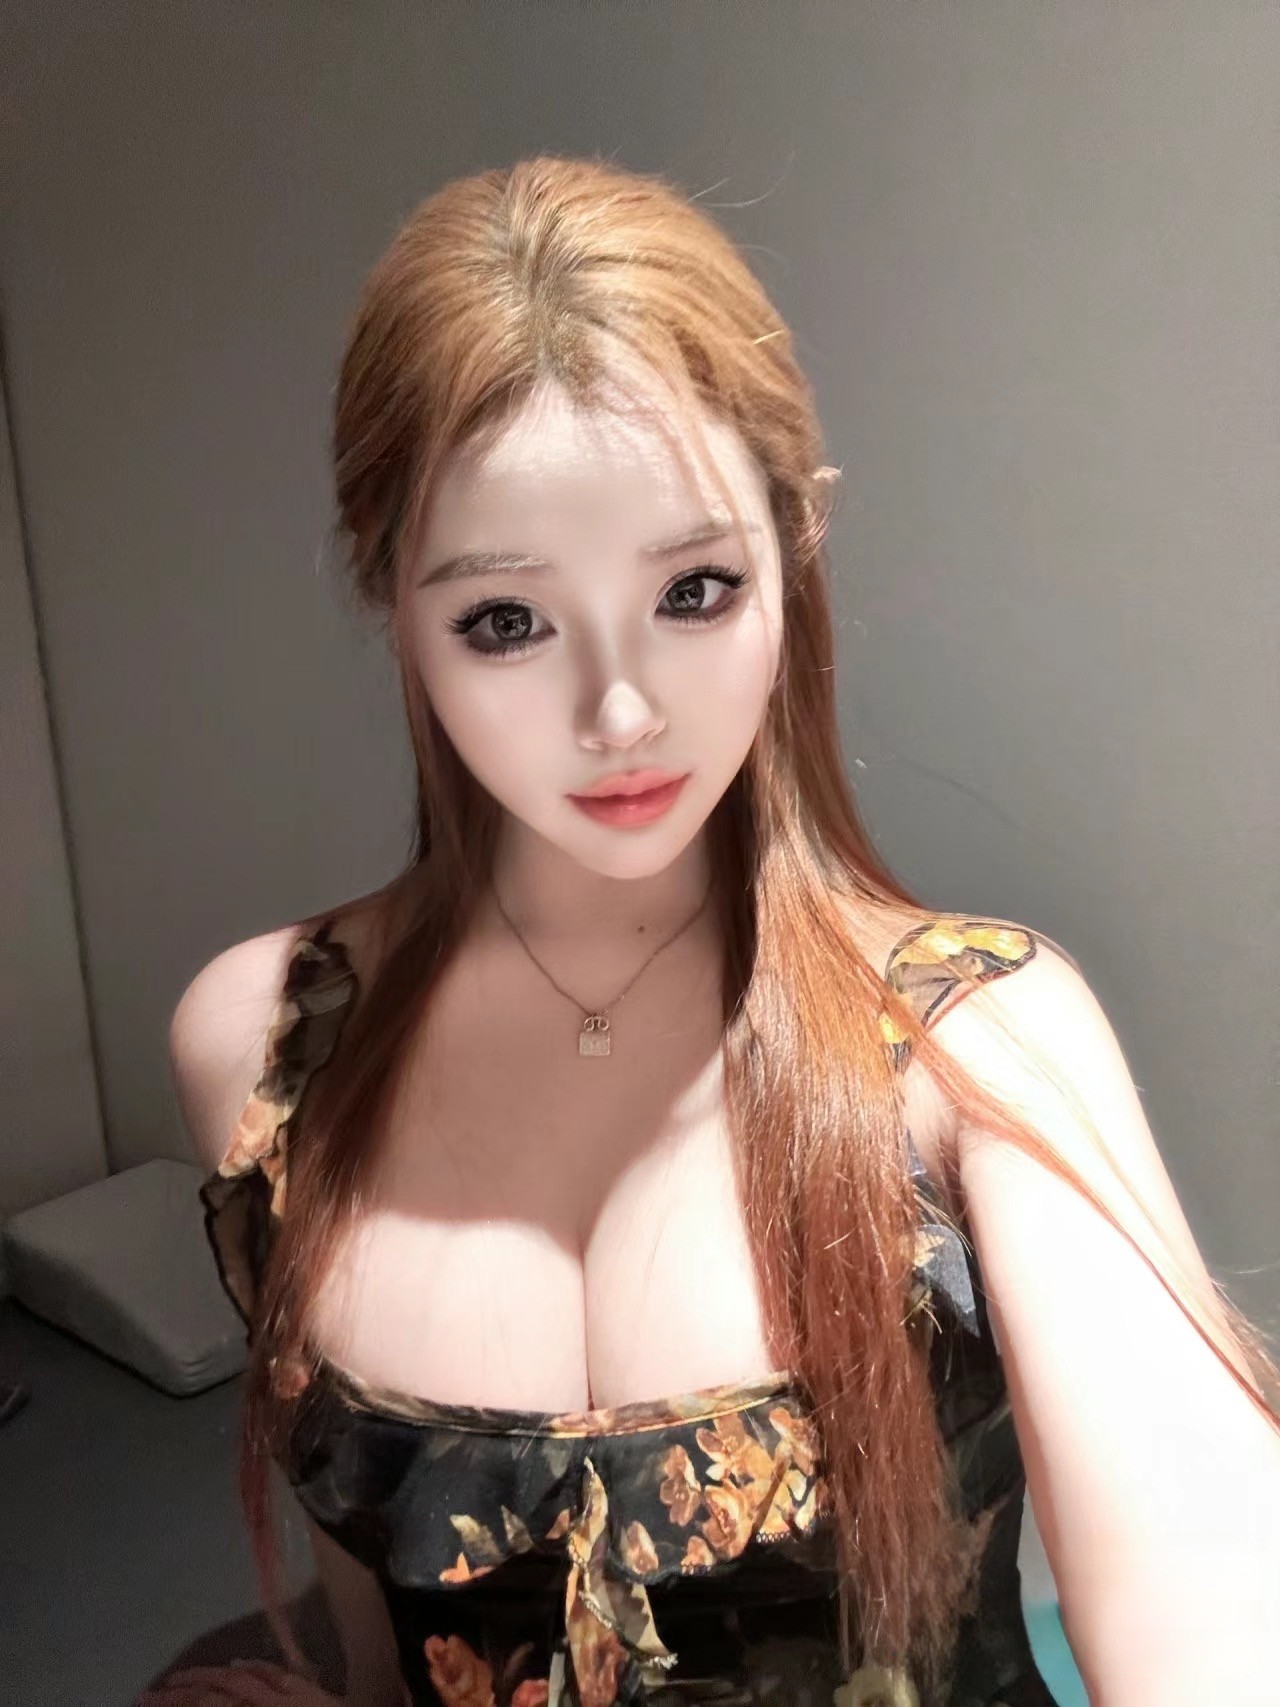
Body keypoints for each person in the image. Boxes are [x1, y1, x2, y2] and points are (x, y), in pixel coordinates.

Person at [150, 157, 1280, 1707]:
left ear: (792, 544)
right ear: (392, 602)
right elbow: (381, 1633)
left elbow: (1215, 1602)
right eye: (505, 621)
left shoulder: (978, 1041)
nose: (619, 711)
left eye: (693, 590)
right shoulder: (269, 1046)